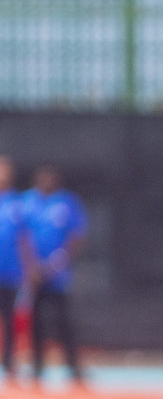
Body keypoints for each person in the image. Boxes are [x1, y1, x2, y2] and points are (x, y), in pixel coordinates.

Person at [23, 166, 87, 386]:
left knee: (63, 322)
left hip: (58, 275)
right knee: (36, 323)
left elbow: (77, 235)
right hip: (34, 275)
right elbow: (21, 236)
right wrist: (31, 267)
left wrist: (58, 261)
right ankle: (37, 367)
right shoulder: (27, 202)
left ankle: (73, 366)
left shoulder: (67, 202)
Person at [0, 157, 29, 383]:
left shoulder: (18, 204)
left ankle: (9, 361)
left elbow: (24, 239)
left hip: (9, 272)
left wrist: (29, 267)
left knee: (10, 319)